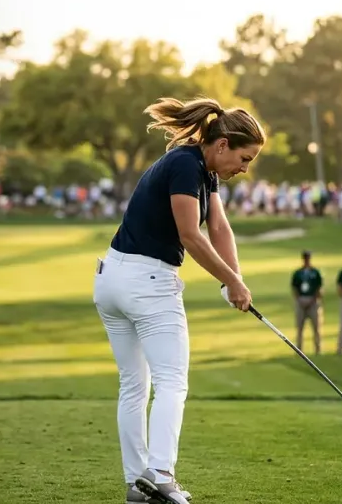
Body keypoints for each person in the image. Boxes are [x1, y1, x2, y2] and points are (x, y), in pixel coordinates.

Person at [93, 96, 264, 504]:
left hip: (112, 278)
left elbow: (219, 226)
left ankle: (138, 484)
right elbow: (191, 234)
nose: (245, 168)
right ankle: (161, 474)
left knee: (134, 385)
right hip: (148, 283)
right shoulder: (187, 166)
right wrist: (231, 282)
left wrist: (235, 279)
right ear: (222, 145)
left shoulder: (201, 169)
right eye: (245, 158)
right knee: (171, 381)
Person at [291, 250, 323, 353]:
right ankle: (299, 349)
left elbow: (319, 288)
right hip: (301, 301)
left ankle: (318, 349)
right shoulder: (298, 273)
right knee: (299, 328)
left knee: (316, 328)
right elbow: (294, 288)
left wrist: (313, 300)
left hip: (313, 302)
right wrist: (299, 300)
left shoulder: (315, 272)